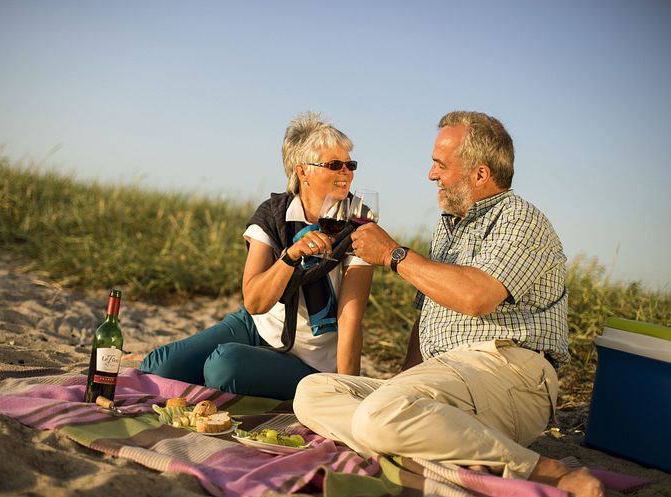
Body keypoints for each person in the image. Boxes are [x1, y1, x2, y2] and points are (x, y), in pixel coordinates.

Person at [293, 111, 604, 497]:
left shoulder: (521, 219)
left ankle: (542, 469)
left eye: (440, 164)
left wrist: (394, 254)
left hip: (506, 372)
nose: (431, 175)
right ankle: (429, 445)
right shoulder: (448, 226)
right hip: (446, 375)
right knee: (312, 392)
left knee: (377, 417)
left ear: (480, 174)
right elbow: (426, 317)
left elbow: (477, 298)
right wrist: (403, 385)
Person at [138, 111, 374, 400]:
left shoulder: (360, 223)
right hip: (256, 326)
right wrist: (290, 258)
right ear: (302, 172)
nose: (346, 173)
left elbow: (350, 319)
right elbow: (254, 301)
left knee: (223, 366)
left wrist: (343, 393)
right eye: (334, 165)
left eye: (350, 164)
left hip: (311, 359)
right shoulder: (273, 215)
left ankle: (244, 376)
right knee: (158, 366)